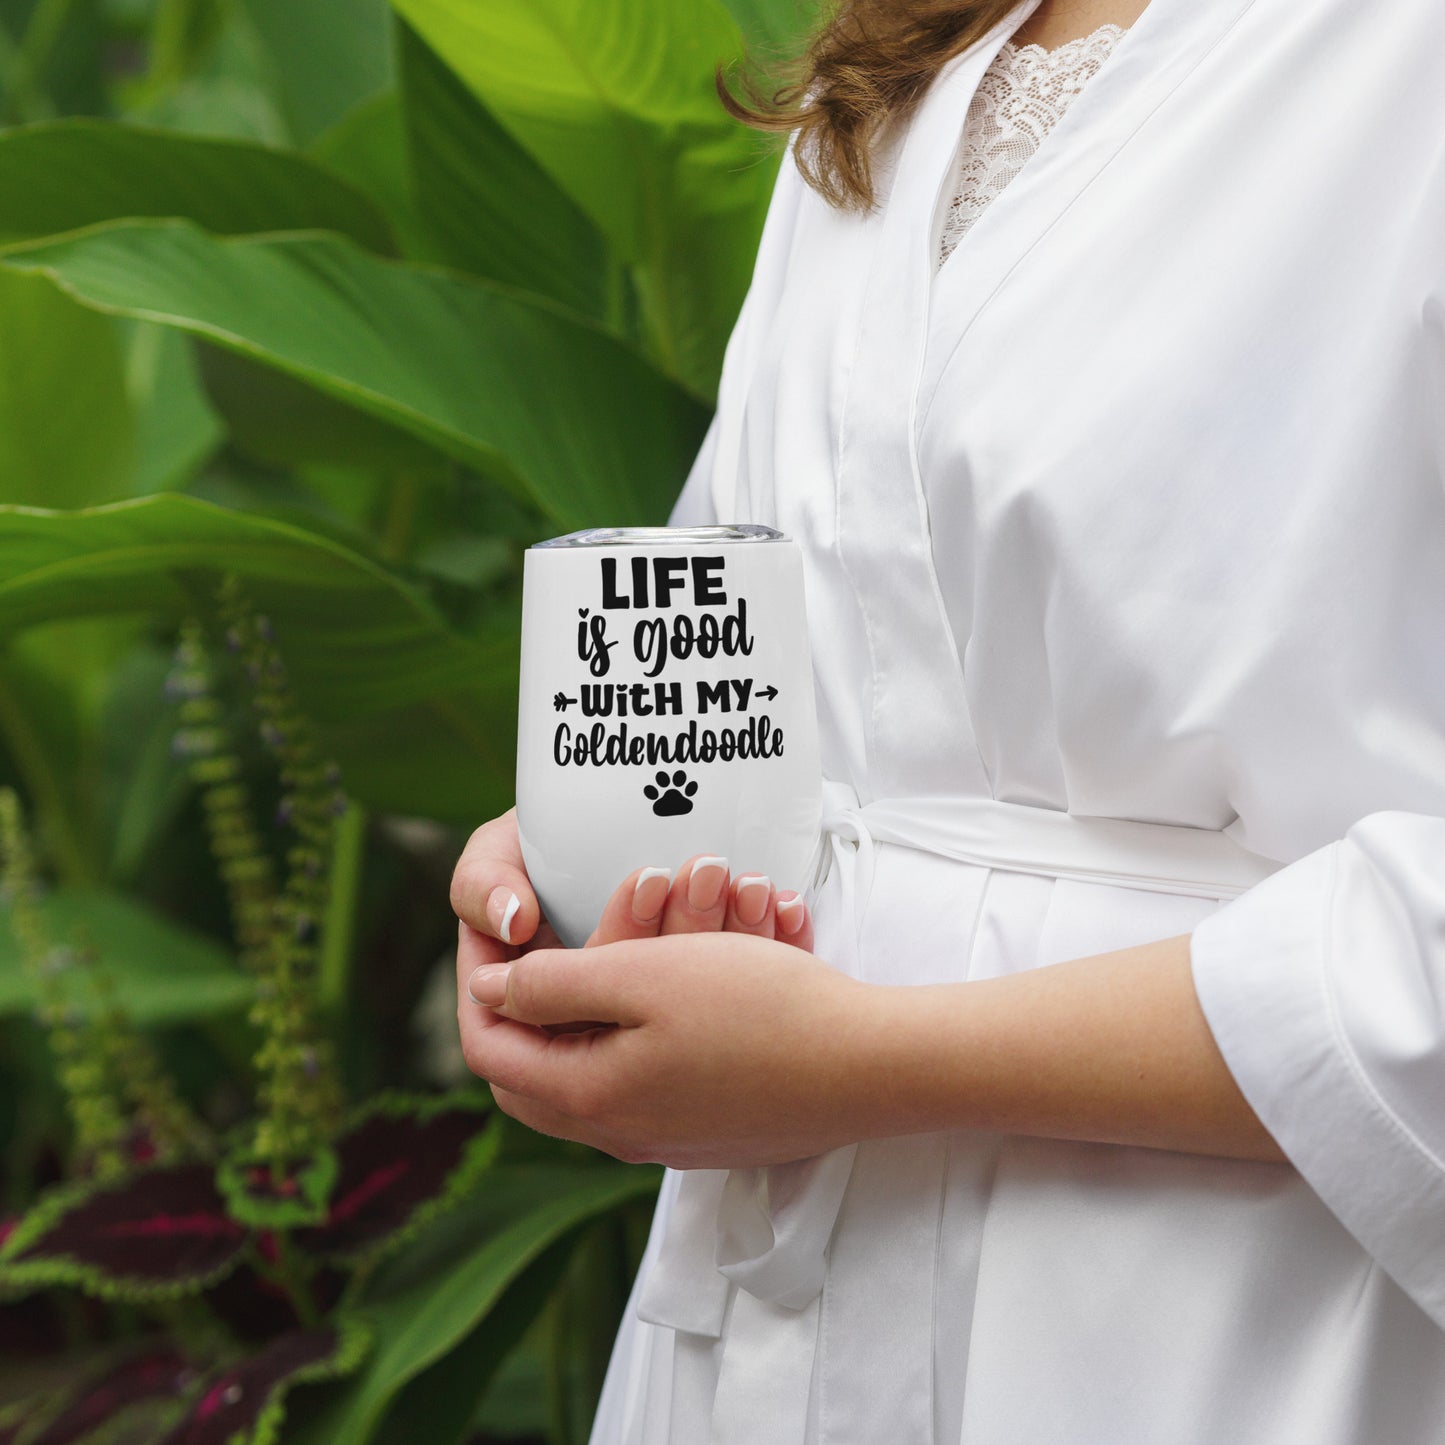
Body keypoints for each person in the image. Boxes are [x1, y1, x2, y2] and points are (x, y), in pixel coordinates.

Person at [451, 0, 1445, 1438]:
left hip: (1233, 1317)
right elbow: (798, 649)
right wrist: (593, 857)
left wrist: (862, 1058)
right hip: (778, 1312)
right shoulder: (901, 57)